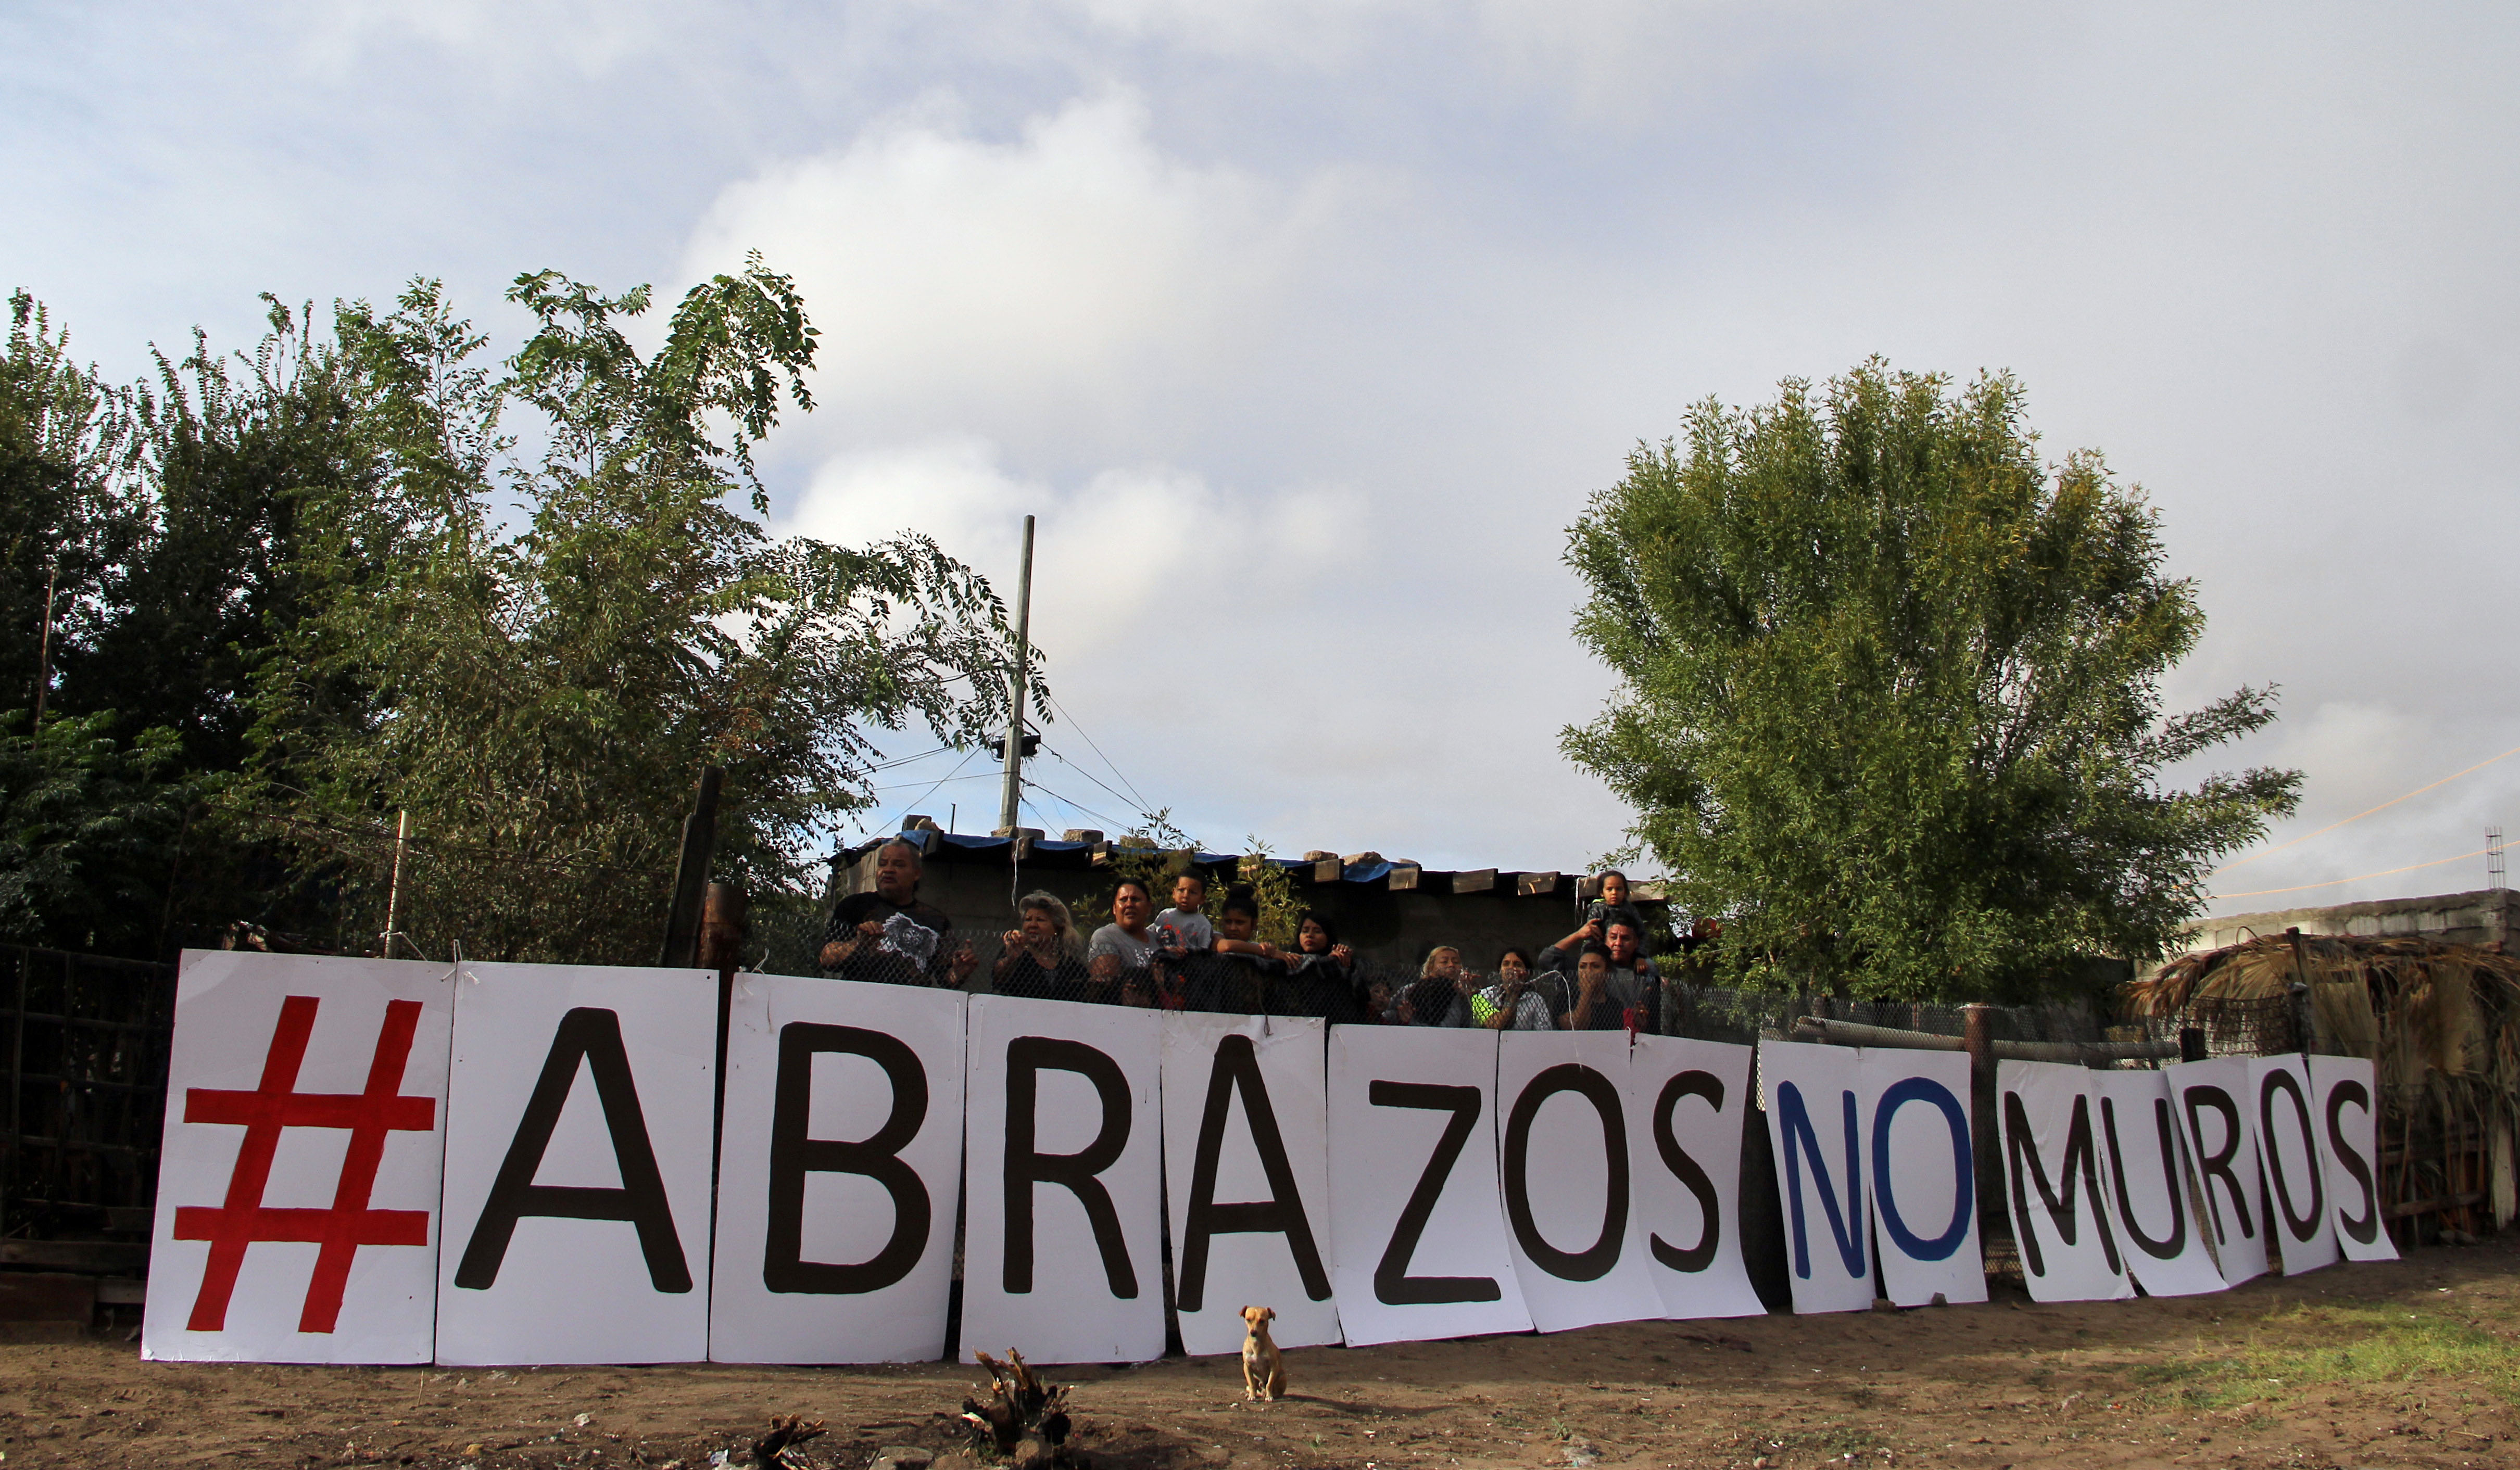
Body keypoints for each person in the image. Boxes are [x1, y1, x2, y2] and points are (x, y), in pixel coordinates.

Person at [819, 838, 977, 986]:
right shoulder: (854, 906)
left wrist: (959, 971)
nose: (888, 870)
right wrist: (857, 944)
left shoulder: (935, 920)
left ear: (917, 873)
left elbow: (947, 979)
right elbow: (826, 959)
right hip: (860, 1003)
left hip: (909, 1007)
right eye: (883, 864)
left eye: (899, 865)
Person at [993, 891, 1085, 1000]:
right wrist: (1011, 959)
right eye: (1028, 920)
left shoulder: (1068, 963)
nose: (1033, 925)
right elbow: (997, 978)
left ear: (1057, 927)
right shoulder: (1015, 949)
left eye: (1040, 920)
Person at [1086, 877, 1162, 1003]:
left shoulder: (1158, 940)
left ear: (1149, 907)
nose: (1129, 904)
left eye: (1135, 899)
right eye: (1123, 900)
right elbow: (1108, 985)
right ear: (1115, 908)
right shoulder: (1105, 936)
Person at [1472, 947, 1555, 1031]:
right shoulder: (1486, 995)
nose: (1511, 968)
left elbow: (1544, 1032)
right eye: (1506, 964)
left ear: (1526, 972)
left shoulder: (1535, 1000)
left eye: (1517, 965)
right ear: (1500, 970)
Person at [1397, 945, 1476, 1027]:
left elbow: (1467, 1024)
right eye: (1444, 962)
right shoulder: (1411, 989)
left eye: (1456, 962)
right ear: (1431, 967)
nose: (1451, 965)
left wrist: (1465, 997)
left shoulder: (1461, 994)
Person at [1152, 871, 1216, 955]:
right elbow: (1150, 936)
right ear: (1174, 893)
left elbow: (1203, 954)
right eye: (1181, 890)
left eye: (1192, 892)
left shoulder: (1203, 924)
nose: (1186, 896)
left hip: (1187, 965)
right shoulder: (1164, 915)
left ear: (1202, 899)